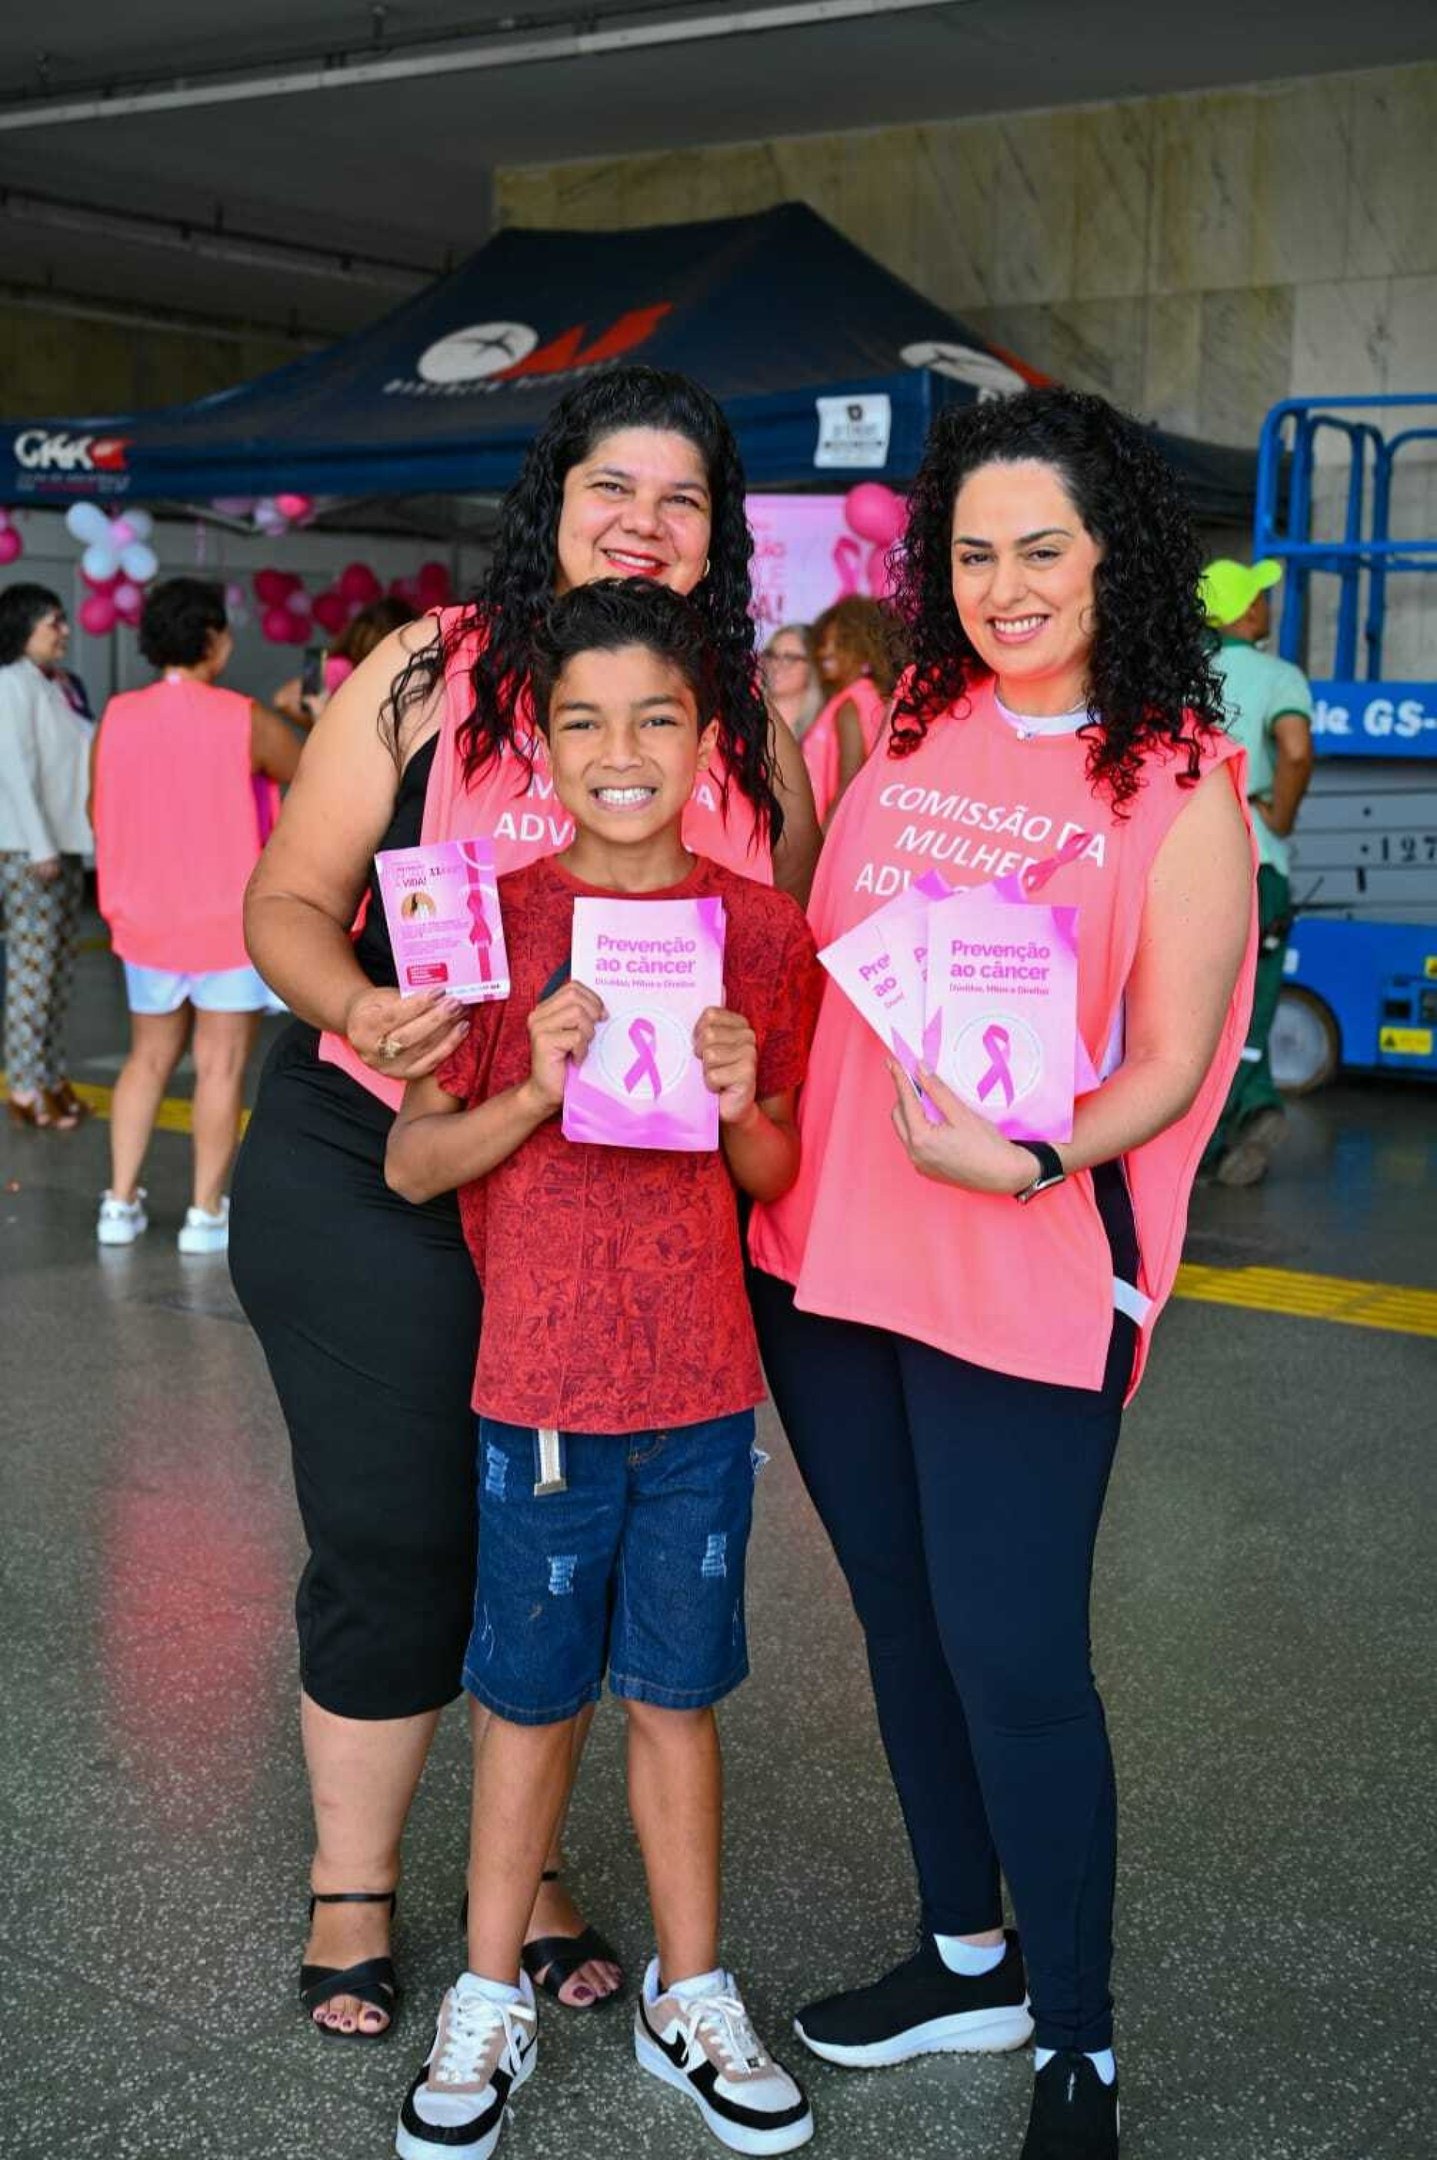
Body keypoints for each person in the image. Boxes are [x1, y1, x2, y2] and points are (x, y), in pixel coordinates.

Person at [229, 365, 821, 2043]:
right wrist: (361, 1009)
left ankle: (530, 1869)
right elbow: (286, 899)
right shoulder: (431, 669)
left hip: (605, 1211)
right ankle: (354, 1882)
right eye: (609, 486)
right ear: (550, 504)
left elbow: (774, 985)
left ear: (718, 535)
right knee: (402, 1530)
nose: (644, 519)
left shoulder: (746, 730)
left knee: (549, 1548)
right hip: (387, 1164)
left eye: (682, 496)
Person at [748, 387, 1256, 2160]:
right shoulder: (902, 725)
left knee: (1018, 1657)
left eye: (1041, 548)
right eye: (972, 554)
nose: (1004, 586)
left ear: (1115, 557)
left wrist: (1035, 1157)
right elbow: (823, 950)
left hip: (1024, 1269)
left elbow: (1170, 1060)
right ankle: (966, 1956)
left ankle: (1079, 2042)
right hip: (828, 1258)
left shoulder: (1180, 781)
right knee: (899, 1626)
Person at [386, 578, 820, 2160]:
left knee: (678, 1699)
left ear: (708, 740)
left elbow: (773, 1174)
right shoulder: (482, 922)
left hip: (700, 1385)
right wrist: (530, 1087)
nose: (619, 753)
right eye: (582, 722)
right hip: (540, 1392)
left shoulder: (760, 930)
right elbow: (412, 1164)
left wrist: (745, 1101)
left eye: (655, 719)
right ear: (539, 741)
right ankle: (486, 1994)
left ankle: (686, 1994)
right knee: (523, 1700)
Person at [89, 578, 302, 1252]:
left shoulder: (118, 716)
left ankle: (118, 1204)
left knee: (147, 1060)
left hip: (145, 918)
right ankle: (204, 1215)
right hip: (225, 922)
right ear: (211, 639)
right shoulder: (244, 717)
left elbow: (96, 808)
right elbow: (307, 770)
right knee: (218, 1067)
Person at [1197, 557, 1315, 1187]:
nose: (1268, 604)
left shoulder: (1180, 675)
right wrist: (1281, 815)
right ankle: (1219, 1138)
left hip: (1183, 860)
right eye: (1261, 596)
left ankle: (1254, 1109)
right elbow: (1294, 749)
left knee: (1197, 1002)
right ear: (1246, 611)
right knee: (1252, 999)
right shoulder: (1278, 676)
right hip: (1254, 855)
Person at [0, 584, 93, 1132]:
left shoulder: (56, 685)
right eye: (52, 622)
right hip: (29, 851)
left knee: (56, 973)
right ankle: (25, 1084)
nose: (64, 631)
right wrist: (39, 846)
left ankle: (51, 1074)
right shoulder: (10, 683)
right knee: (31, 975)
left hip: (63, 845)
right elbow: (13, 769)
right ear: (23, 627)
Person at [802, 596, 903, 823]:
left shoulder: (851, 706)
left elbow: (849, 783)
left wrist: (823, 841)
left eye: (839, 643)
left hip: (835, 831)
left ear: (865, 647)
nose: (824, 652)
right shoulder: (870, 697)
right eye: (823, 642)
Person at [761, 621, 823, 740]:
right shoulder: (743, 720)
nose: (776, 665)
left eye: (790, 658)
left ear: (812, 666)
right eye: (771, 655)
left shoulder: (825, 729)